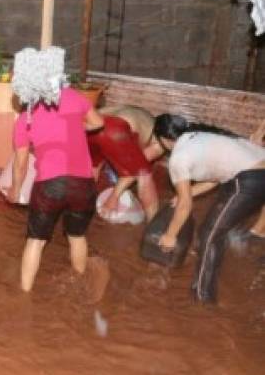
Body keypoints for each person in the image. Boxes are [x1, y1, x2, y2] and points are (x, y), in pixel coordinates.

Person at [7, 47, 105, 293]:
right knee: (77, 236)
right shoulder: (72, 96)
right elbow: (98, 122)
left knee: (36, 241)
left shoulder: (23, 119)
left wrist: (15, 190)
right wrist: (72, 130)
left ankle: (24, 294)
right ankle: (78, 282)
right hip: (83, 185)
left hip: (50, 186)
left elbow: (20, 165)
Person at [153, 114, 265, 302]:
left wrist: (170, 235)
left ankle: (203, 298)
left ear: (164, 139)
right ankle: (254, 266)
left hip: (251, 178)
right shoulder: (198, 137)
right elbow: (215, 177)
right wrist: (187, 194)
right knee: (217, 227)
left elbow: (185, 205)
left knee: (210, 234)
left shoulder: (178, 157)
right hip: (255, 172)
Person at [88, 105, 160, 221]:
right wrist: (114, 197)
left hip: (91, 124)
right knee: (145, 178)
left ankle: (82, 203)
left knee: (93, 166)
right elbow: (133, 171)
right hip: (115, 130)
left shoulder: (139, 114)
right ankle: (154, 224)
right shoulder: (159, 142)